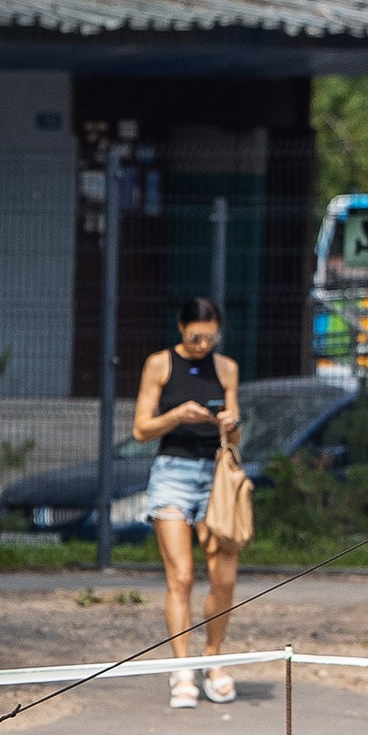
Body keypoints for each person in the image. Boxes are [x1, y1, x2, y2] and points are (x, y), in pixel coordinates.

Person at [131, 296, 241, 709]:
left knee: (224, 577)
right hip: (173, 472)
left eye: (210, 337)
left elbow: (236, 437)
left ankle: (213, 657)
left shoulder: (226, 368)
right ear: (181, 329)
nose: (202, 345)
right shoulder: (160, 364)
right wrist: (177, 415)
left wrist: (232, 424)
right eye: (196, 337)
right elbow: (142, 429)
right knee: (181, 577)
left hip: (216, 476)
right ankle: (182, 667)